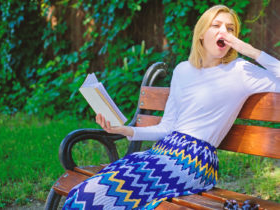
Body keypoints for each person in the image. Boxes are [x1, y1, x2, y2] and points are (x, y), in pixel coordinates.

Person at [63, 4, 280, 210]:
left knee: (97, 195)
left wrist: (249, 50)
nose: (225, 31)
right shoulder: (183, 70)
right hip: (163, 150)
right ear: (202, 34)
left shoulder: (241, 71)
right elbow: (168, 126)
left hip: (194, 161)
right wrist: (124, 130)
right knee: (84, 191)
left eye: (230, 28)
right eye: (217, 25)